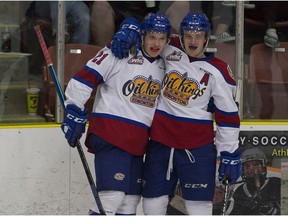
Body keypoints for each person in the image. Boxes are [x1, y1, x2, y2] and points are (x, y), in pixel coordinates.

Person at [111, 12, 242, 215]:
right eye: (188, 35)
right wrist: (130, 27)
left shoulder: (220, 71)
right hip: (160, 143)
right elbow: (151, 31)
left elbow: (228, 117)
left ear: (207, 38)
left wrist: (229, 153)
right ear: (180, 36)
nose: (193, 40)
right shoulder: (168, 48)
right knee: (152, 202)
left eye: (198, 35)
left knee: (199, 206)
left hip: (198, 148)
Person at [60, 13, 171, 215]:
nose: (156, 43)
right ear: (142, 36)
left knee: (129, 201)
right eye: (152, 37)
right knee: (112, 197)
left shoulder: (166, 64)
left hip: (137, 141)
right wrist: (73, 108)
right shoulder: (120, 50)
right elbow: (84, 79)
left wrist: (132, 24)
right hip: (111, 134)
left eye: (162, 38)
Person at [227, 147, 281, 215]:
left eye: (255, 164)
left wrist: (274, 211)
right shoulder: (239, 191)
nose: (251, 169)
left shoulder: (277, 184)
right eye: (247, 166)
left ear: (263, 166)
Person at [91, 1, 160, 47]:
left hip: (143, 10)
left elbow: (152, 7)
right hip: (114, 7)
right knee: (100, 6)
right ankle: (104, 57)